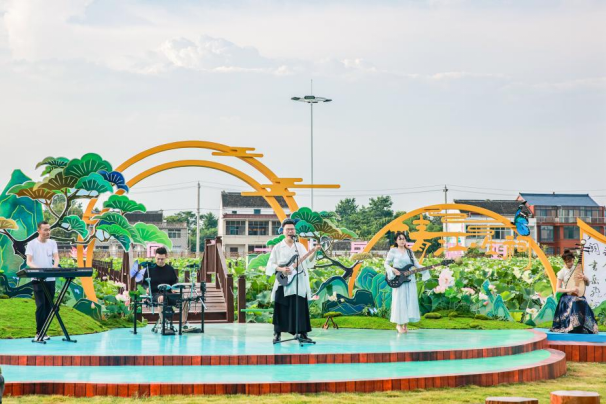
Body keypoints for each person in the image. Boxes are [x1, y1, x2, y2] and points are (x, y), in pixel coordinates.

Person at [266, 218, 321, 343]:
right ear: (283, 231)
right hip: (284, 281)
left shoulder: (299, 246)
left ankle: (303, 333)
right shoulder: (278, 247)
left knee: (300, 308)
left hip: (298, 282)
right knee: (280, 307)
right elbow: (271, 264)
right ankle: (277, 333)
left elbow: (308, 261)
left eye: (292, 229)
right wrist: (282, 269)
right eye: (288, 229)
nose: (290, 231)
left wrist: (314, 251)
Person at [384, 231, 429, 333]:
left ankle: (405, 325)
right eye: (399, 239)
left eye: (403, 239)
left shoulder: (409, 251)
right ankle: (398, 324)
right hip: (399, 280)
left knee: (409, 301)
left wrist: (427, 268)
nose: (402, 241)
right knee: (399, 301)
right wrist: (393, 270)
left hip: (410, 279)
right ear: (396, 241)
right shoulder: (393, 251)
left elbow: (416, 264)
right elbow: (386, 264)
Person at [25, 221, 59, 341]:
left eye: (49, 229)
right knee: (41, 305)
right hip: (38, 279)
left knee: (49, 306)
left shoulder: (53, 243)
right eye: (45, 230)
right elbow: (29, 261)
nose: (48, 232)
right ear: (38, 231)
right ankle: (38, 332)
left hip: (50, 279)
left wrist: (55, 267)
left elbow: (56, 257)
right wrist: (39, 270)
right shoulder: (31, 244)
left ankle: (44, 331)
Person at [551, 249, 598, 334]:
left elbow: (587, 284)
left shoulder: (577, 270)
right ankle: (573, 325)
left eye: (572, 261)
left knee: (583, 301)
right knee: (575, 301)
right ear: (565, 261)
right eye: (569, 261)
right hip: (567, 296)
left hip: (577, 294)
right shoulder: (561, 272)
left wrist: (585, 278)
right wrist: (570, 289)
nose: (572, 263)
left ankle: (587, 326)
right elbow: (558, 289)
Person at [146, 247, 188, 330]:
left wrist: (174, 288)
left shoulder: (170, 269)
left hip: (169, 293)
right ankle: (163, 324)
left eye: (162, 259)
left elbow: (174, 282)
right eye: (158, 259)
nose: (160, 261)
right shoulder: (149, 269)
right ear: (155, 257)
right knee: (162, 298)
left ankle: (183, 324)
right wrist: (147, 288)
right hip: (155, 294)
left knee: (184, 299)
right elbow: (144, 283)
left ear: (166, 257)